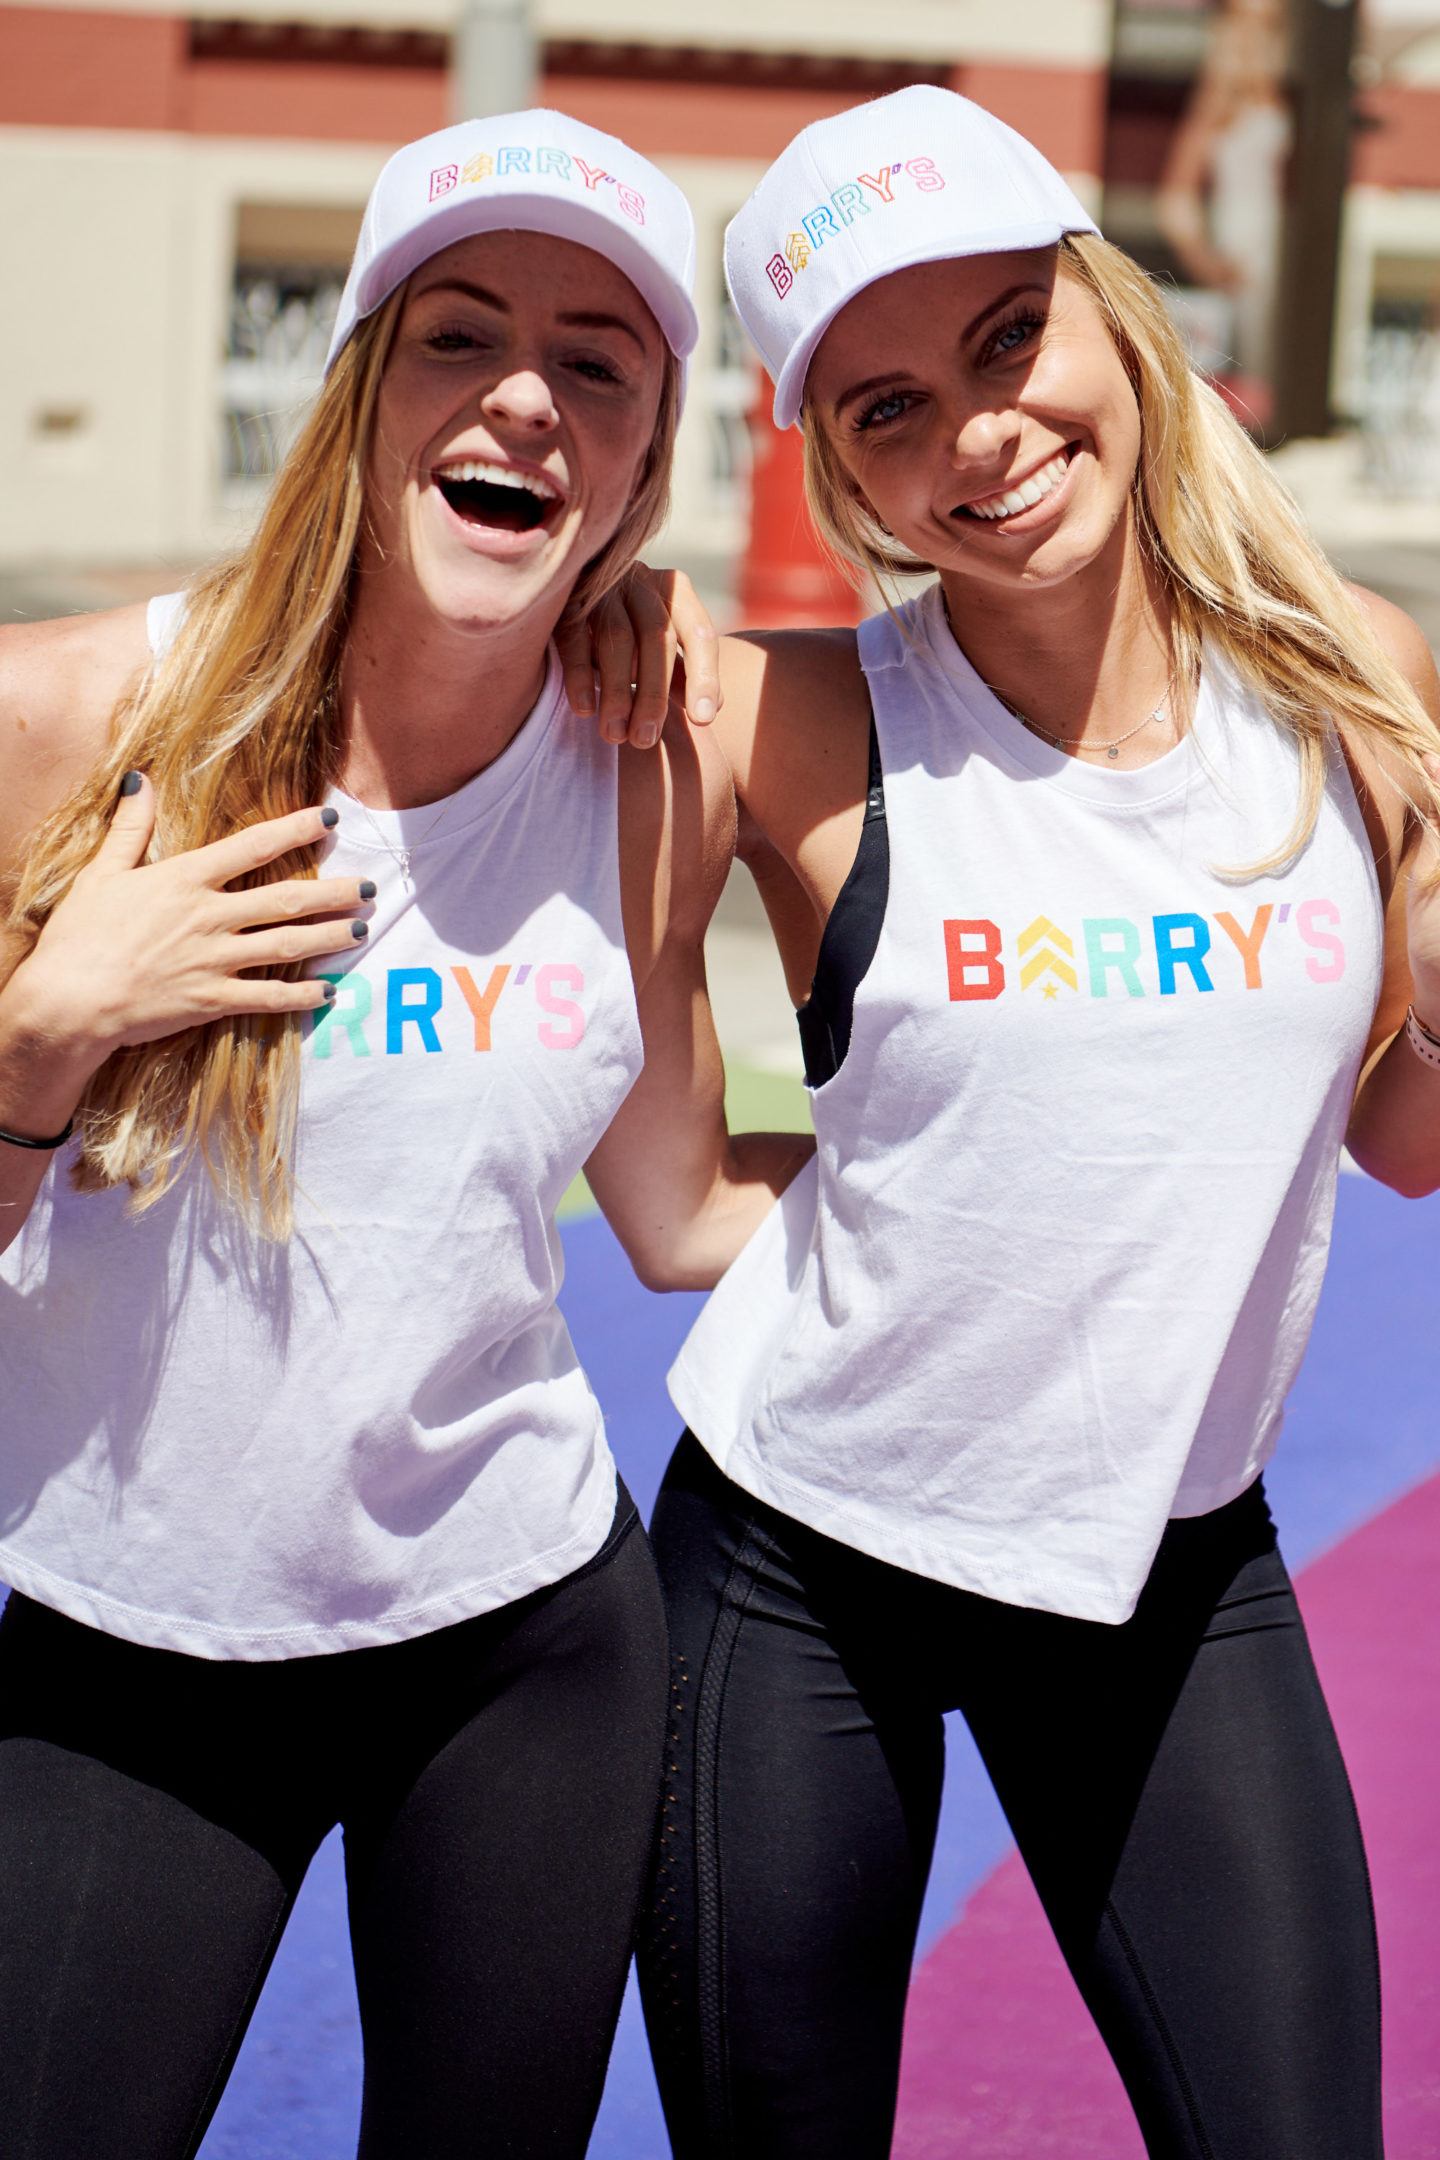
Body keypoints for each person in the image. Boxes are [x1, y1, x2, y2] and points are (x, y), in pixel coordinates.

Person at [617, 86, 1440, 2160]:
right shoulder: (778, 715)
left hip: (1177, 1571)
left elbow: (1406, 1143)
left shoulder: (1357, 690)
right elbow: (654, 1191)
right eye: (890, 407)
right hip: (805, 1572)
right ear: (843, 469)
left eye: (1008, 341)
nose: (977, 433)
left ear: (1113, 319)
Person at [0, 110, 807, 2159]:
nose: (525, 396)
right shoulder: (78, 725)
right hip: (129, 1652)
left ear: (635, 470)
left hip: (523, 1651)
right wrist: (37, 1041)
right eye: (460, 336)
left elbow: (680, 1205)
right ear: (365, 389)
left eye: (599, 366)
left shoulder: (648, 768)